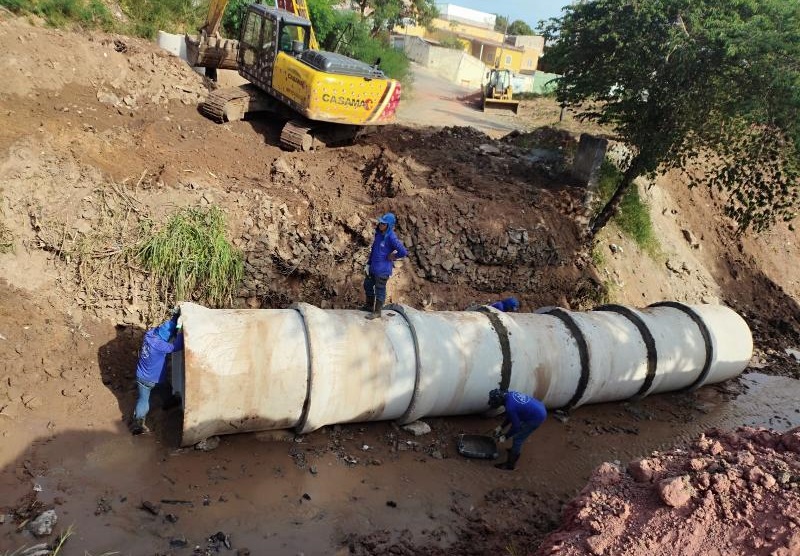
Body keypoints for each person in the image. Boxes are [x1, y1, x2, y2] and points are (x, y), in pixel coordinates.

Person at [131, 311, 184, 435]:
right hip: (153, 378)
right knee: (160, 390)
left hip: (141, 375)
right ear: (165, 337)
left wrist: (176, 317)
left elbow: (166, 327)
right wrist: (181, 332)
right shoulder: (160, 345)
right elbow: (177, 346)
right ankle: (168, 404)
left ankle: (138, 425)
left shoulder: (149, 335)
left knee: (144, 398)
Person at [362, 212, 407, 320]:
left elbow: (403, 251)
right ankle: (369, 306)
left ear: (389, 225)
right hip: (373, 267)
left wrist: (394, 256)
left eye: (384, 223)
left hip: (383, 270)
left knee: (380, 289)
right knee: (367, 284)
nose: (381, 225)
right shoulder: (378, 234)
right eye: (381, 222)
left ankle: (377, 312)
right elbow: (373, 250)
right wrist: (368, 264)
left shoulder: (391, 237)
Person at [487, 389, 547, 470]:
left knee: (518, 438)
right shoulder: (509, 395)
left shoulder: (510, 407)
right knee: (519, 430)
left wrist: (505, 436)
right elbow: (511, 415)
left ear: (499, 401)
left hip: (537, 416)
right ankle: (514, 450)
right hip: (538, 407)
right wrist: (501, 427)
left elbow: (516, 426)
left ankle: (510, 464)